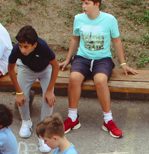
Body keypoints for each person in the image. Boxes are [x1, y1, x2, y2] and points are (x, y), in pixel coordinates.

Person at [59, 0, 137, 138]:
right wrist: (67, 59)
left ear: (97, 4)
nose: (83, 6)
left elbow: (117, 40)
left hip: (102, 59)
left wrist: (123, 63)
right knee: (74, 78)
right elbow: (75, 39)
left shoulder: (109, 20)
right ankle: (72, 118)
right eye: (82, 3)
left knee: (100, 80)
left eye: (87, 3)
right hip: (82, 58)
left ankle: (108, 120)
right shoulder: (78, 18)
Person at [7, 25, 59, 140]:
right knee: (22, 97)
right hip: (27, 68)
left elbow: (56, 66)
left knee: (48, 99)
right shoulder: (16, 49)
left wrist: (50, 90)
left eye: (26, 46)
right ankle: (26, 121)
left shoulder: (43, 47)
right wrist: (18, 92)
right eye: (20, 46)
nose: (22, 50)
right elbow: (10, 69)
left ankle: (44, 129)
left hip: (45, 69)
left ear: (34, 45)